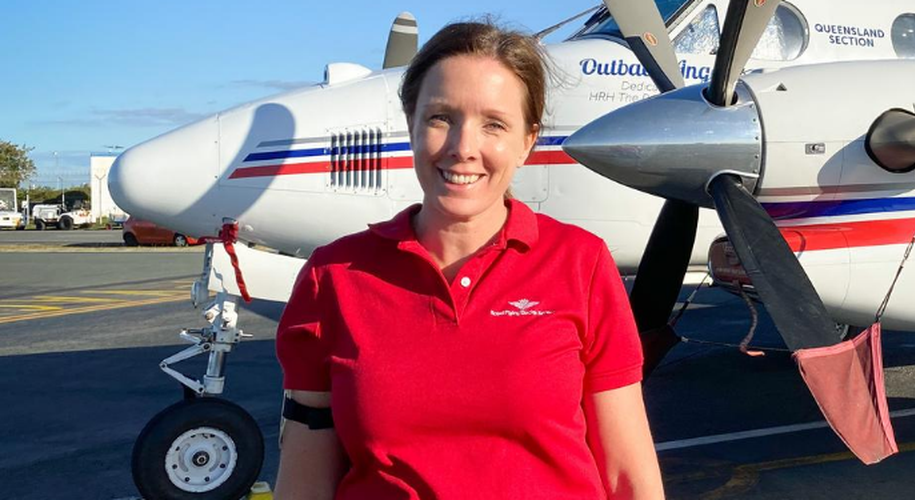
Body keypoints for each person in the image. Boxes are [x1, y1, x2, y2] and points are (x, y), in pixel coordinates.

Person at [273, 20, 664, 499]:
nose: (463, 148)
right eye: (440, 118)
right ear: (411, 123)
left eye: (494, 125)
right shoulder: (332, 277)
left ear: (527, 141)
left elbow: (628, 473)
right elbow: (304, 478)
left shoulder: (580, 264)